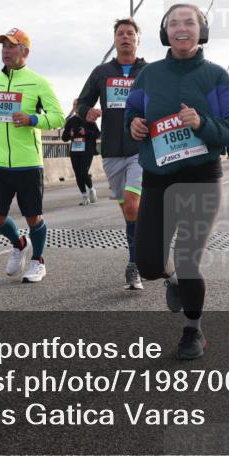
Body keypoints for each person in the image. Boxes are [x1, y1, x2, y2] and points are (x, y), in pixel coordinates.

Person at [126, 3, 229, 360]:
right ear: (165, 32)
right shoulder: (148, 76)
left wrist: (201, 124)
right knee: (148, 265)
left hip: (201, 178)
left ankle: (193, 331)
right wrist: (132, 126)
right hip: (158, 177)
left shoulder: (216, 77)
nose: (182, 28)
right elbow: (133, 112)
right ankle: (173, 278)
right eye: (174, 23)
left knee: (188, 257)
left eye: (189, 22)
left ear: (202, 30)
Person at [0, 28, 65, 283]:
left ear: (24, 51)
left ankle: (38, 261)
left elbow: (58, 118)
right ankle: (18, 243)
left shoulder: (38, 82)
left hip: (28, 162)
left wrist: (32, 119)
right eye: (3, 46)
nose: (5, 50)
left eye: (11, 46)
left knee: (33, 217)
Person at [77, 18, 148, 290]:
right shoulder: (102, 72)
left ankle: (134, 265)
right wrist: (88, 113)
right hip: (111, 151)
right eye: (121, 33)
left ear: (138, 40)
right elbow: (82, 102)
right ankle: (144, 242)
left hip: (141, 148)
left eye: (131, 33)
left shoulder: (149, 71)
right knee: (129, 211)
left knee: (131, 205)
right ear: (115, 40)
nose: (126, 37)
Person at [62, 99, 100, 205]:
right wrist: (70, 134)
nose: (76, 106)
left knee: (84, 172)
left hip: (87, 150)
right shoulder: (70, 121)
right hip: (75, 151)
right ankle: (84, 196)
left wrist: (86, 132)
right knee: (78, 174)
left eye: (78, 104)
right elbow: (64, 138)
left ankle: (91, 189)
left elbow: (97, 134)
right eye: (74, 104)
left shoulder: (89, 119)